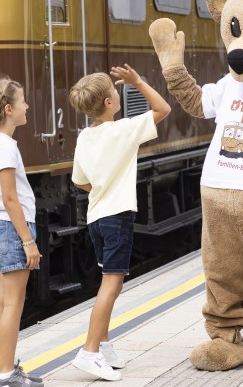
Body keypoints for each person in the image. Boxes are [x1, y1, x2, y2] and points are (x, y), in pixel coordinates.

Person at [68, 64, 171, 381]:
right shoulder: (123, 130)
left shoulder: (85, 136)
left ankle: (104, 344)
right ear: (109, 103)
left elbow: (80, 182)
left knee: (106, 282)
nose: (118, 93)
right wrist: (138, 81)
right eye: (115, 91)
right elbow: (162, 108)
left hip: (97, 218)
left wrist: (103, 185)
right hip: (118, 217)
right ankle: (89, 351)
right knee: (111, 286)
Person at [0, 78, 44, 387]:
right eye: (22, 101)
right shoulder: (3, 145)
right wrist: (28, 241)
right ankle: (5, 374)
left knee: (6, 303)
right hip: (11, 228)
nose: (26, 106)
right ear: (8, 108)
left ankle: (4, 371)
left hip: (4, 227)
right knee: (12, 304)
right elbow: (9, 197)